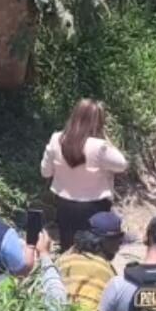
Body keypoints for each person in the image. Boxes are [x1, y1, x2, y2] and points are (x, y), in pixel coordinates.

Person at [40, 99, 129, 250]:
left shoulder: (57, 139)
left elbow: (45, 172)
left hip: (64, 205)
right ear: (98, 122)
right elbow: (122, 164)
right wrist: (106, 140)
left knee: (68, 249)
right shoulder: (100, 147)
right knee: (94, 251)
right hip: (95, 207)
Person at [57, 211, 124, 311]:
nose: (120, 242)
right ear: (103, 240)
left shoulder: (65, 258)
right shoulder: (104, 270)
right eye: (118, 237)